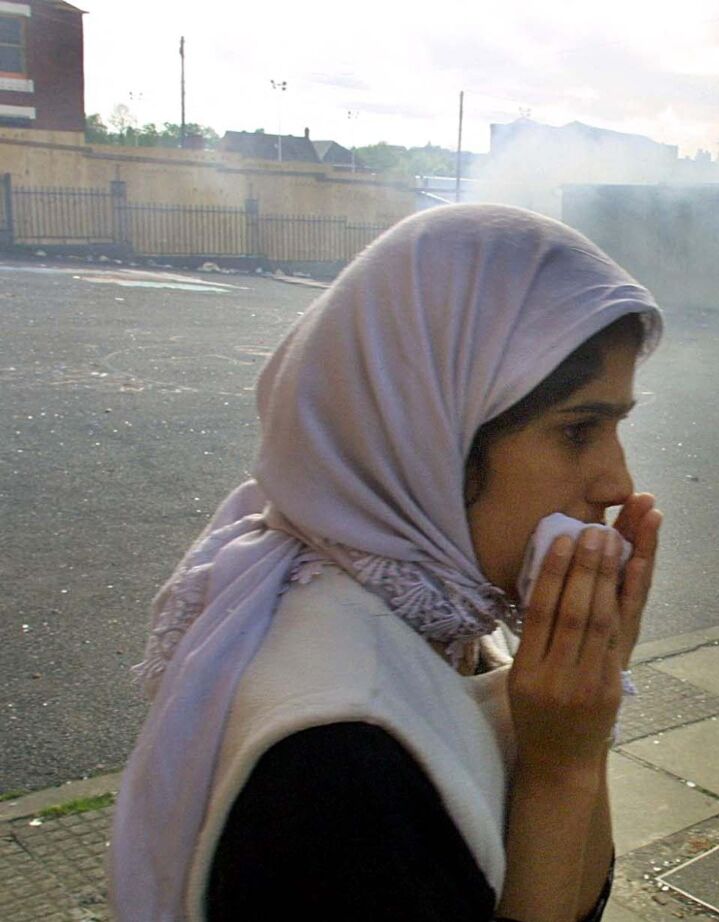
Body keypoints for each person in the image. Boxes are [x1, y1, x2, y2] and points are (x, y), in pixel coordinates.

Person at [108, 203, 664, 922]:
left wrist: (587, 706)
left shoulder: (437, 607)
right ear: (426, 433)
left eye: (617, 426)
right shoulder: (338, 762)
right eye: (579, 430)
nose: (618, 483)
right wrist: (562, 768)